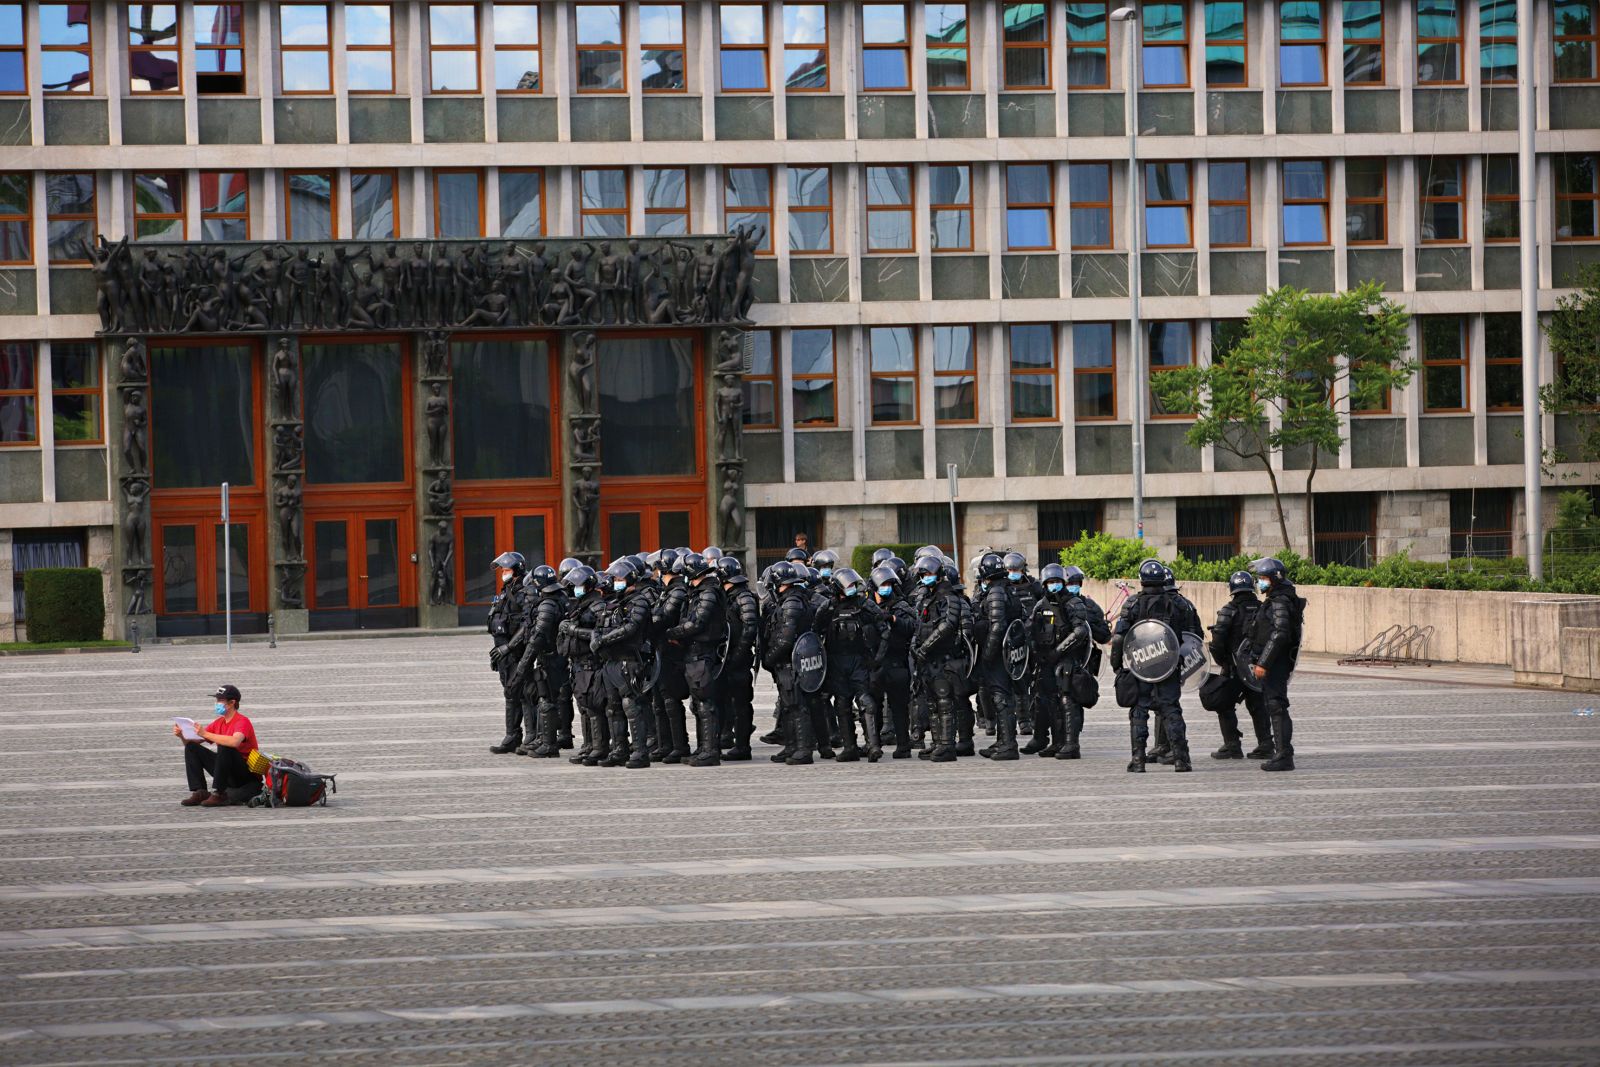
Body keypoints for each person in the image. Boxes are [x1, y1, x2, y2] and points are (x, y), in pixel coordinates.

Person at [1111, 560, 1203, 773]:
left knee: (1139, 712)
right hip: (1169, 666)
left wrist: (1118, 667)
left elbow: (1118, 640)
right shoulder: (1180, 604)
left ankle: (1138, 761)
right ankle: (1181, 760)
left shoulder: (1132, 604)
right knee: (1171, 710)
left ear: (1141, 580)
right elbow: (1194, 638)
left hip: (1141, 665)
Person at [1033, 564, 1110, 760]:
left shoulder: (1073, 603)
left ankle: (1071, 744)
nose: (1054, 585)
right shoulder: (1041, 605)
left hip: (1068, 658)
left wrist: (1058, 652)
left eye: (1057, 582)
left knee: (1068, 700)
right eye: (1050, 582)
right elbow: (1031, 629)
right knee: (1051, 701)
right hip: (1047, 660)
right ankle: (1057, 742)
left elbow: (1080, 631)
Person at [812, 567, 888, 762]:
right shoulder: (827, 608)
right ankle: (849, 747)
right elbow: (814, 635)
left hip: (859, 660)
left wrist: (877, 659)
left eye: (854, 584)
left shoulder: (865, 605)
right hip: (836, 661)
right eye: (848, 585)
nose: (852, 588)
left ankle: (873, 745)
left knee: (865, 701)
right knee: (842, 704)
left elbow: (884, 631)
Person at [592, 559, 657, 768]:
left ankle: (640, 752)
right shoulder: (615, 602)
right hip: (610, 661)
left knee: (631, 705)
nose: (616, 582)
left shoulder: (639, 601)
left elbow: (631, 628)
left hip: (629, 660)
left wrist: (604, 639)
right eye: (615, 579)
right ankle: (619, 749)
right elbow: (599, 624)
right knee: (612, 708)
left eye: (619, 578)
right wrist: (596, 637)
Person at [666, 551, 729, 766]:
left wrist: (672, 633)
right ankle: (704, 748)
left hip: (703, 652)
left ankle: (710, 751)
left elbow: (697, 623)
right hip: (694, 653)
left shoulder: (708, 593)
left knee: (705, 703)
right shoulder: (699, 592)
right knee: (698, 703)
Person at [1206, 571, 1273, 760]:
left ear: (1233, 589)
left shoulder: (1229, 610)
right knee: (1259, 705)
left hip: (1234, 668)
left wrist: (1224, 663)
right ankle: (1266, 744)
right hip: (1258, 666)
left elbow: (1217, 643)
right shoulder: (1263, 609)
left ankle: (1232, 745)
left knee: (1224, 704)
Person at [1248, 557, 1305, 772]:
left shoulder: (1280, 601)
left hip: (1276, 664)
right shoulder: (1277, 598)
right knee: (1274, 705)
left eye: (1263, 578)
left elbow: (1280, 633)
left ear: (1274, 579)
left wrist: (1264, 663)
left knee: (1277, 706)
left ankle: (1283, 755)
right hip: (1274, 662)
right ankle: (1281, 753)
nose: (1260, 582)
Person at [910, 554, 968, 763]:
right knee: (932, 703)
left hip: (943, 657)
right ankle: (937, 743)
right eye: (923, 574)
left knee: (944, 701)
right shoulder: (927, 596)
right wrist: (916, 646)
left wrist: (925, 646)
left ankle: (947, 745)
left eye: (929, 573)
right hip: (927, 659)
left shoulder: (949, 596)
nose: (925, 577)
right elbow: (919, 624)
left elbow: (948, 625)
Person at [975, 552, 1026, 762]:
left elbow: (997, 626)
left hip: (999, 654)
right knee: (1001, 697)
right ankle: (1002, 740)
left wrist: (987, 653)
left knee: (1001, 697)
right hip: (1008, 652)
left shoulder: (996, 592)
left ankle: (1008, 745)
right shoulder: (1007, 589)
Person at [177, 685, 262, 807]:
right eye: (217, 700)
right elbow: (193, 743)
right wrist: (182, 736)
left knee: (225, 745)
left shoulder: (242, 721)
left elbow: (235, 741)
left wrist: (205, 733)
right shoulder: (218, 722)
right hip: (226, 770)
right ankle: (200, 791)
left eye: (220, 701)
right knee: (191, 747)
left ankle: (218, 793)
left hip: (244, 774)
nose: (217, 703)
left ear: (232, 702)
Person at [871, 564, 918, 758]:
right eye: (883, 584)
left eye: (889, 584)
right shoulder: (868, 606)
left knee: (899, 708)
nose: (886, 588)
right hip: (875, 664)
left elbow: (913, 626)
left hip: (897, 663)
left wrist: (893, 619)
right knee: (873, 707)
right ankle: (873, 744)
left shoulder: (901, 606)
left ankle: (903, 746)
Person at [718, 555, 761, 760]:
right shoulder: (729, 596)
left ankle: (743, 746)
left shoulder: (743, 596)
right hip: (727, 658)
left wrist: (738, 654)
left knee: (741, 704)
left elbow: (750, 627)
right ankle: (729, 739)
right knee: (727, 702)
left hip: (738, 660)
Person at [486, 551, 529, 754]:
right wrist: (498, 649)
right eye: (502, 570)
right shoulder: (505, 591)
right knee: (510, 693)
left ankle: (517, 736)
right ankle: (514, 735)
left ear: (517, 571)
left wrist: (510, 647)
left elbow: (527, 624)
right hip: (502, 652)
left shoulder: (522, 593)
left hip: (515, 652)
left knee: (517, 693)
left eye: (507, 570)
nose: (503, 573)